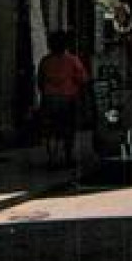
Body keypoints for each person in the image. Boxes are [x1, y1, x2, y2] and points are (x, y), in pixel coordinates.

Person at [37, 31, 89, 167]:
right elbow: (82, 79)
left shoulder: (45, 61)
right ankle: (68, 156)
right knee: (68, 129)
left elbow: (40, 81)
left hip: (49, 99)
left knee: (50, 130)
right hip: (68, 98)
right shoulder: (72, 60)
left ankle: (52, 158)